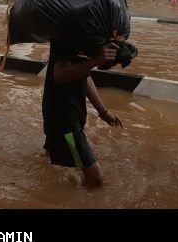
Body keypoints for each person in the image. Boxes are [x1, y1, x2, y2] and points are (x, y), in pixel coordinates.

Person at [43, 41, 124, 189]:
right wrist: (95, 61)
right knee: (95, 179)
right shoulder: (66, 34)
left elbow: (84, 75)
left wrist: (103, 112)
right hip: (64, 119)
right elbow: (59, 74)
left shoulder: (84, 35)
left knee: (51, 165)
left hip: (70, 114)